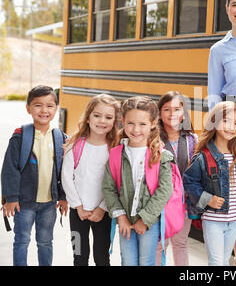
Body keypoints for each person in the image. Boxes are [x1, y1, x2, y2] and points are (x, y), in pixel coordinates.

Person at [102, 96, 174, 266]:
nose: (136, 129)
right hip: (125, 219)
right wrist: (121, 217)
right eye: (131, 123)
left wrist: (145, 219)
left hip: (149, 222)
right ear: (123, 121)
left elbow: (165, 190)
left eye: (142, 124)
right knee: (127, 261)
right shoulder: (115, 154)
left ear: (154, 123)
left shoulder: (161, 155)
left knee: (146, 262)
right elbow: (108, 187)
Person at [1, 85, 68, 266]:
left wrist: (63, 197)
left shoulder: (61, 138)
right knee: (22, 241)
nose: (44, 110)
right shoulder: (20, 137)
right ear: (28, 108)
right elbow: (9, 169)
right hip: (24, 203)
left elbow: (65, 172)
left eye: (50, 105)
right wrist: (11, 198)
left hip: (49, 204)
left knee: (46, 242)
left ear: (56, 108)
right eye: (38, 105)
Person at [183, 101, 236, 266]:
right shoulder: (204, 157)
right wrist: (208, 199)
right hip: (213, 221)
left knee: (225, 260)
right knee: (217, 262)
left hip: (234, 220)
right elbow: (189, 182)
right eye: (226, 121)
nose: (231, 127)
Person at [61, 94, 121, 266]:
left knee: (102, 257)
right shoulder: (75, 145)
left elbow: (116, 182)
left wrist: (102, 208)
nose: (102, 120)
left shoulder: (115, 149)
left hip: (104, 213)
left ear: (114, 121)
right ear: (88, 118)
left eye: (108, 117)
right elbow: (66, 178)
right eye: (97, 115)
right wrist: (78, 206)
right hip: (76, 212)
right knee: (79, 256)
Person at [155, 91, 198, 266]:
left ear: (184, 113)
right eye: (166, 109)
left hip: (183, 202)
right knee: (159, 245)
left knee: (180, 243)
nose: (172, 114)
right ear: (159, 113)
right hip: (159, 202)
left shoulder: (192, 139)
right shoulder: (153, 139)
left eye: (177, 109)